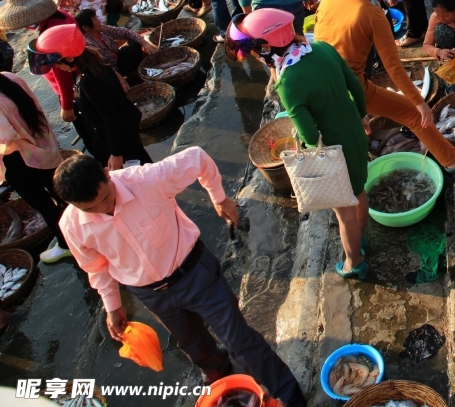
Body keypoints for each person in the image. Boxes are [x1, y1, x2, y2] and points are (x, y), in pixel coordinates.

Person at [54, 149, 307, 407]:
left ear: (107, 174)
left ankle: (290, 396)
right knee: (197, 349)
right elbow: (96, 267)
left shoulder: (146, 179)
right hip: (151, 294)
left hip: (196, 274)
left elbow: (198, 158)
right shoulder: (71, 226)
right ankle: (225, 388)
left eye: (106, 197)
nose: (105, 208)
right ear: (73, 206)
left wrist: (218, 197)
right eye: (91, 208)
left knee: (239, 340)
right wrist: (112, 305)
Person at [315, 0, 455, 173]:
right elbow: (394, 67)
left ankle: (357, 121)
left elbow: (325, 46)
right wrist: (419, 104)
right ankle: (453, 161)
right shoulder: (373, 14)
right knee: (413, 115)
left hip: (321, 85)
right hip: (353, 88)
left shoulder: (327, 1)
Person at [226, 9, 370, 280]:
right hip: (355, 133)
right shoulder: (322, 48)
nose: (257, 57)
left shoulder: (289, 82)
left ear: (266, 47)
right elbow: (356, 85)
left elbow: (308, 134)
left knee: (344, 214)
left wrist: (303, 149)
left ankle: (354, 262)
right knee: (360, 190)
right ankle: (361, 239)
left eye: (256, 52)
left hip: (335, 151)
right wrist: (362, 116)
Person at [33, 24, 151, 170]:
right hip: (122, 136)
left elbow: (112, 117)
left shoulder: (90, 81)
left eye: (56, 63)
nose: (56, 67)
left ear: (69, 58)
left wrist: (116, 153)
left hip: (121, 142)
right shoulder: (93, 64)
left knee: (140, 173)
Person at [1, 71, 71, 264]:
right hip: (42, 148)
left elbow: (6, 140)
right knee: (64, 193)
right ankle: (92, 225)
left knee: (46, 206)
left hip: (21, 160)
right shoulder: (9, 78)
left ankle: (67, 244)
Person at [0, 0, 77, 123]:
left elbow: (62, 72)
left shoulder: (51, 33)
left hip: (73, 83)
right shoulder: (61, 16)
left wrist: (66, 105)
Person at [75, 9, 156, 78]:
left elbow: (125, 32)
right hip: (113, 70)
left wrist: (145, 43)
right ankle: (133, 75)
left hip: (120, 57)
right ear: (85, 27)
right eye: (95, 19)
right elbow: (102, 66)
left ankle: (137, 70)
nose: (98, 20)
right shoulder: (87, 45)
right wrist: (117, 75)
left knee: (134, 42)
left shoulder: (102, 28)